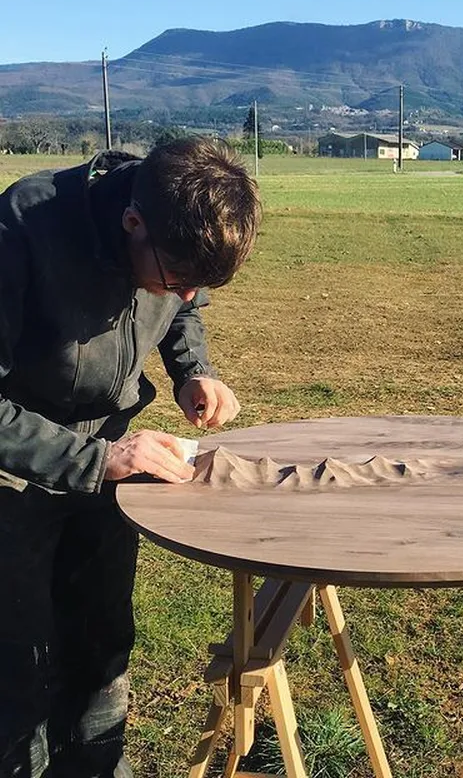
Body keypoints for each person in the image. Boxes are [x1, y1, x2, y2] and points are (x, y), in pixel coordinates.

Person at [0, 136, 261, 777]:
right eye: (177, 279)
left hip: (111, 468)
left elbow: (179, 309)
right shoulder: (22, 226)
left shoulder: (167, 239)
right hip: (13, 481)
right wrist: (94, 459)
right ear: (132, 221)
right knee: (17, 666)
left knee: (102, 646)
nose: (187, 294)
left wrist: (191, 371)